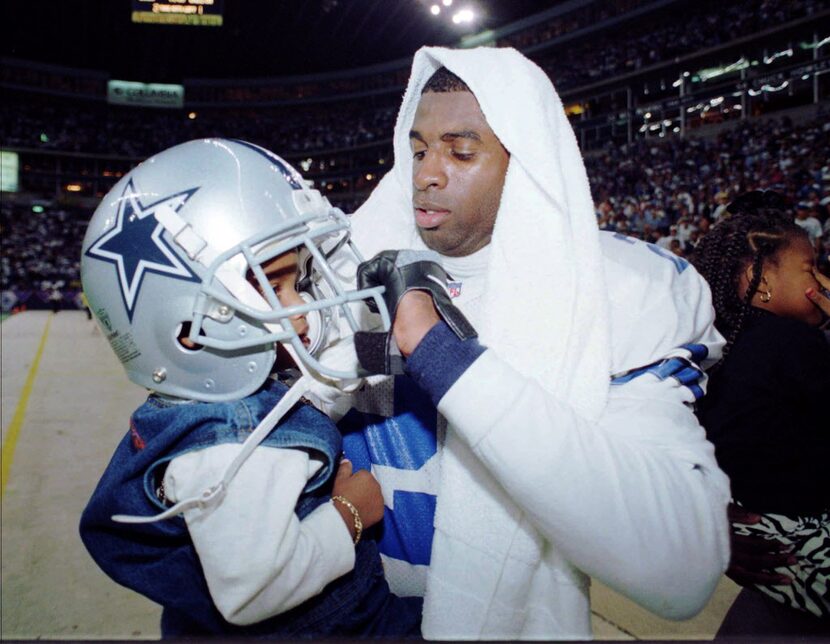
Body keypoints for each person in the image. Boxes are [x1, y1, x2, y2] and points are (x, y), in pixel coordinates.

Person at [335, 46, 731, 640]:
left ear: (527, 163)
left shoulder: (614, 291)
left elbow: (685, 567)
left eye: (461, 151)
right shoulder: (349, 270)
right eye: (418, 149)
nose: (427, 172)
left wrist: (443, 357)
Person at [78, 139, 421, 638]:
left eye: (297, 283)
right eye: (274, 285)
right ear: (188, 328)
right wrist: (351, 511)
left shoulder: (209, 404)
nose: (302, 312)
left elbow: (323, 388)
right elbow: (254, 591)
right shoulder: (232, 442)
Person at [691, 190, 830, 635]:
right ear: (761, 280)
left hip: (774, 565)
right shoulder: (791, 344)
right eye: (811, 269)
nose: (823, 282)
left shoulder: (713, 351)